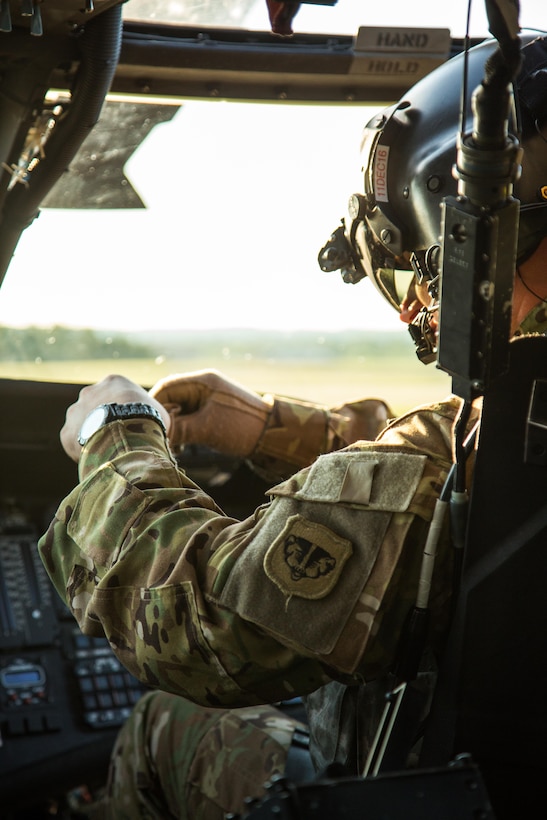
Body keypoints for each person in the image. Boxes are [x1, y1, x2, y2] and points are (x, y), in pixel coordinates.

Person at [38, 30, 547, 819]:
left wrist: (117, 430)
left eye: (414, 276)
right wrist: (274, 429)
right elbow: (442, 490)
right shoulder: (499, 443)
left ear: (474, 234)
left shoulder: (494, 448)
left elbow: (199, 624)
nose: (417, 306)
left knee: (168, 722)